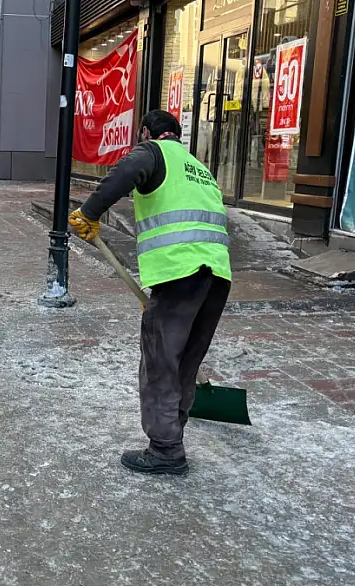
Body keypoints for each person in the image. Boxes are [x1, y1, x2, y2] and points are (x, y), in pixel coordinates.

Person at [68, 110, 232, 476]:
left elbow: (125, 172)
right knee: (184, 363)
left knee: (160, 361)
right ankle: (172, 435)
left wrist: (90, 212)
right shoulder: (198, 167)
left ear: (147, 132)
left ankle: (165, 450)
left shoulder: (153, 152)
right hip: (217, 275)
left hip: (179, 274)